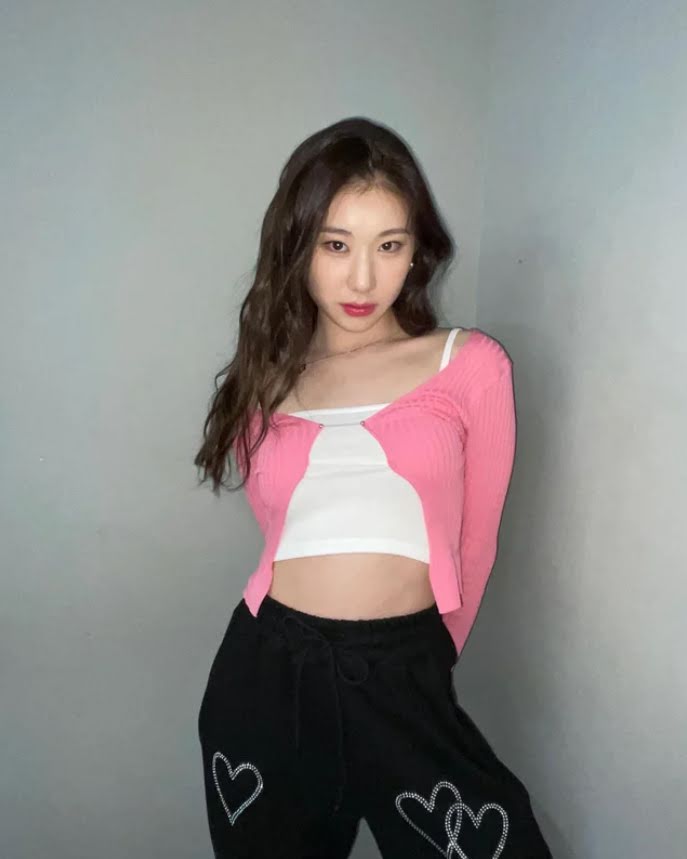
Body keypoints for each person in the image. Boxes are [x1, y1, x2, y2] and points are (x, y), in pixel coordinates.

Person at [193, 116, 552, 858]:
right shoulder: (268, 381)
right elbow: (278, 532)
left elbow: (476, 543)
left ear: (416, 251)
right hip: (266, 671)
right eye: (336, 245)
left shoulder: (468, 364)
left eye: (388, 245)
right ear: (297, 246)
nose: (362, 279)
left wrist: (422, 662)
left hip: (404, 675)